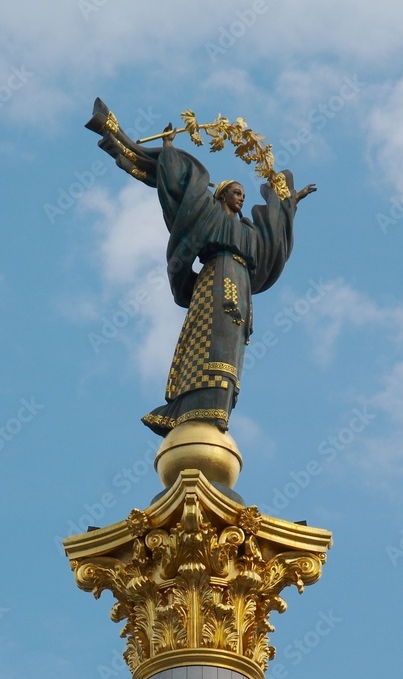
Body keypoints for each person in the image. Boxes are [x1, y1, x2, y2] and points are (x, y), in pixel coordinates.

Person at [86, 101, 316, 436]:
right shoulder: (209, 216)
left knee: (231, 348)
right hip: (214, 280)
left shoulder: (250, 234)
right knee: (207, 342)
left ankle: (218, 409)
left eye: (242, 194)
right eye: (235, 193)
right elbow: (183, 190)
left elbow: (273, 238)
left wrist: (288, 203)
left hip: (240, 288)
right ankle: (189, 405)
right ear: (222, 195)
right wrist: (169, 153)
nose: (241, 198)